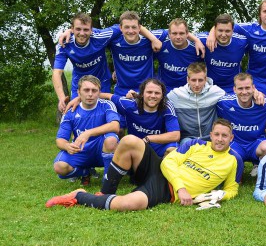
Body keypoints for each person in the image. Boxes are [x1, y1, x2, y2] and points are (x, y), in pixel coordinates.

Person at [46, 119, 243, 211]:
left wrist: (221, 195)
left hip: (167, 191)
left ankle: (78, 196)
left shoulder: (234, 160)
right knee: (130, 140)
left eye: (224, 135)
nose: (219, 139)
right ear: (211, 134)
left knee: (127, 204)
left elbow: (232, 188)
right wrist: (182, 187)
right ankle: (105, 192)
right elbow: (169, 162)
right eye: (216, 134)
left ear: (231, 138)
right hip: (164, 173)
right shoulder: (196, 144)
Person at [206, 0, 266, 96]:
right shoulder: (249, 28)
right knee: (255, 110)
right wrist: (212, 33)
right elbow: (225, 25)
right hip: (254, 82)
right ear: (259, 14)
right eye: (265, 11)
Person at [53, 75, 119, 185]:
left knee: (111, 139)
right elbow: (60, 140)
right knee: (59, 167)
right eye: (86, 90)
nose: (90, 94)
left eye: (94, 90)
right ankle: (84, 172)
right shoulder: (70, 113)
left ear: (99, 92)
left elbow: (115, 126)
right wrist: (67, 146)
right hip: (81, 150)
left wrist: (88, 133)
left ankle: (108, 179)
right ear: (78, 92)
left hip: (102, 149)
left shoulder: (107, 105)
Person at [52, 13, 114, 113]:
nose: (82, 33)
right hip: (79, 85)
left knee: (101, 116)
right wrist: (61, 98)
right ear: (72, 29)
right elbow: (56, 73)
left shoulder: (100, 36)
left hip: (102, 83)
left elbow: (125, 28)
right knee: (77, 115)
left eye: (86, 29)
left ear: (91, 29)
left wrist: (149, 38)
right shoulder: (64, 43)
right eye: (78, 29)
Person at [217, 73, 266, 176]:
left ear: (253, 88)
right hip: (235, 144)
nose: (244, 92)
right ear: (234, 89)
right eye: (240, 88)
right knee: (229, 155)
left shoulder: (265, 104)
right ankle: (238, 166)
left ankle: (259, 165)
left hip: (256, 144)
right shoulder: (224, 103)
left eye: (247, 88)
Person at [166, 62, 226, 144]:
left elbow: (232, 103)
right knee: (188, 146)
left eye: (200, 80)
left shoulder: (216, 92)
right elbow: (159, 103)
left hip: (211, 138)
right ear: (188, 79)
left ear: (205, 79)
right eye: (193, 80)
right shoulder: (176, 94)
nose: (197, 84)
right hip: (187, 139)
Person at [197, 14, 248, 94]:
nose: (223, 35)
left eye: (227, 31)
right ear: (215, 29)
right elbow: (184, 36)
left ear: (233, 30)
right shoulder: (204, 40)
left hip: (233, 89)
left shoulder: (242, 42)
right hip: (210, 88)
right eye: (220, 31)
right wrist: (196, 41)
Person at [154, 18, 203, 92]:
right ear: (169, 34)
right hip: (164, 89)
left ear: (187, 34)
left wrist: (197, 40)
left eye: (181, 33)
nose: (178, 37)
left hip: (187, 91)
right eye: (174, 33)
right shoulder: (161, 45)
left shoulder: (196, 49)